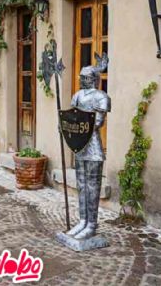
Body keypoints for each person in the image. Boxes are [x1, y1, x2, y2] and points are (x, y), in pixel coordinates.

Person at [66, 53, 110, 240]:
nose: (81, 79)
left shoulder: (101, 97)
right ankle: (83, 221)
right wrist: (65, 126)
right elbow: (71, 117)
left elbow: (96, 122)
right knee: (82, 185)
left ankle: (91, 224)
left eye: (84, 77)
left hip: (93, 147)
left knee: (92, 186)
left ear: (92, 79)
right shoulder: (77, 95)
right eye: (81, 76)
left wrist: (77, 124)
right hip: (79, 146)